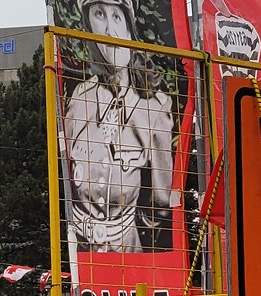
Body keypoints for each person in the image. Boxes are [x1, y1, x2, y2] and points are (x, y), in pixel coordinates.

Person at [63, 0, 179, 253]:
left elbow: (161, 197)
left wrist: (140, 225)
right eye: (99, 15)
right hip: (80, 253)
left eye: (117, 17)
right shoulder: (80, 97)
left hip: (128, 250)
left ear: (129, 29)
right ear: (88, 28)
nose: (109, 30)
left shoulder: (155, 105)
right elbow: (67, 175)